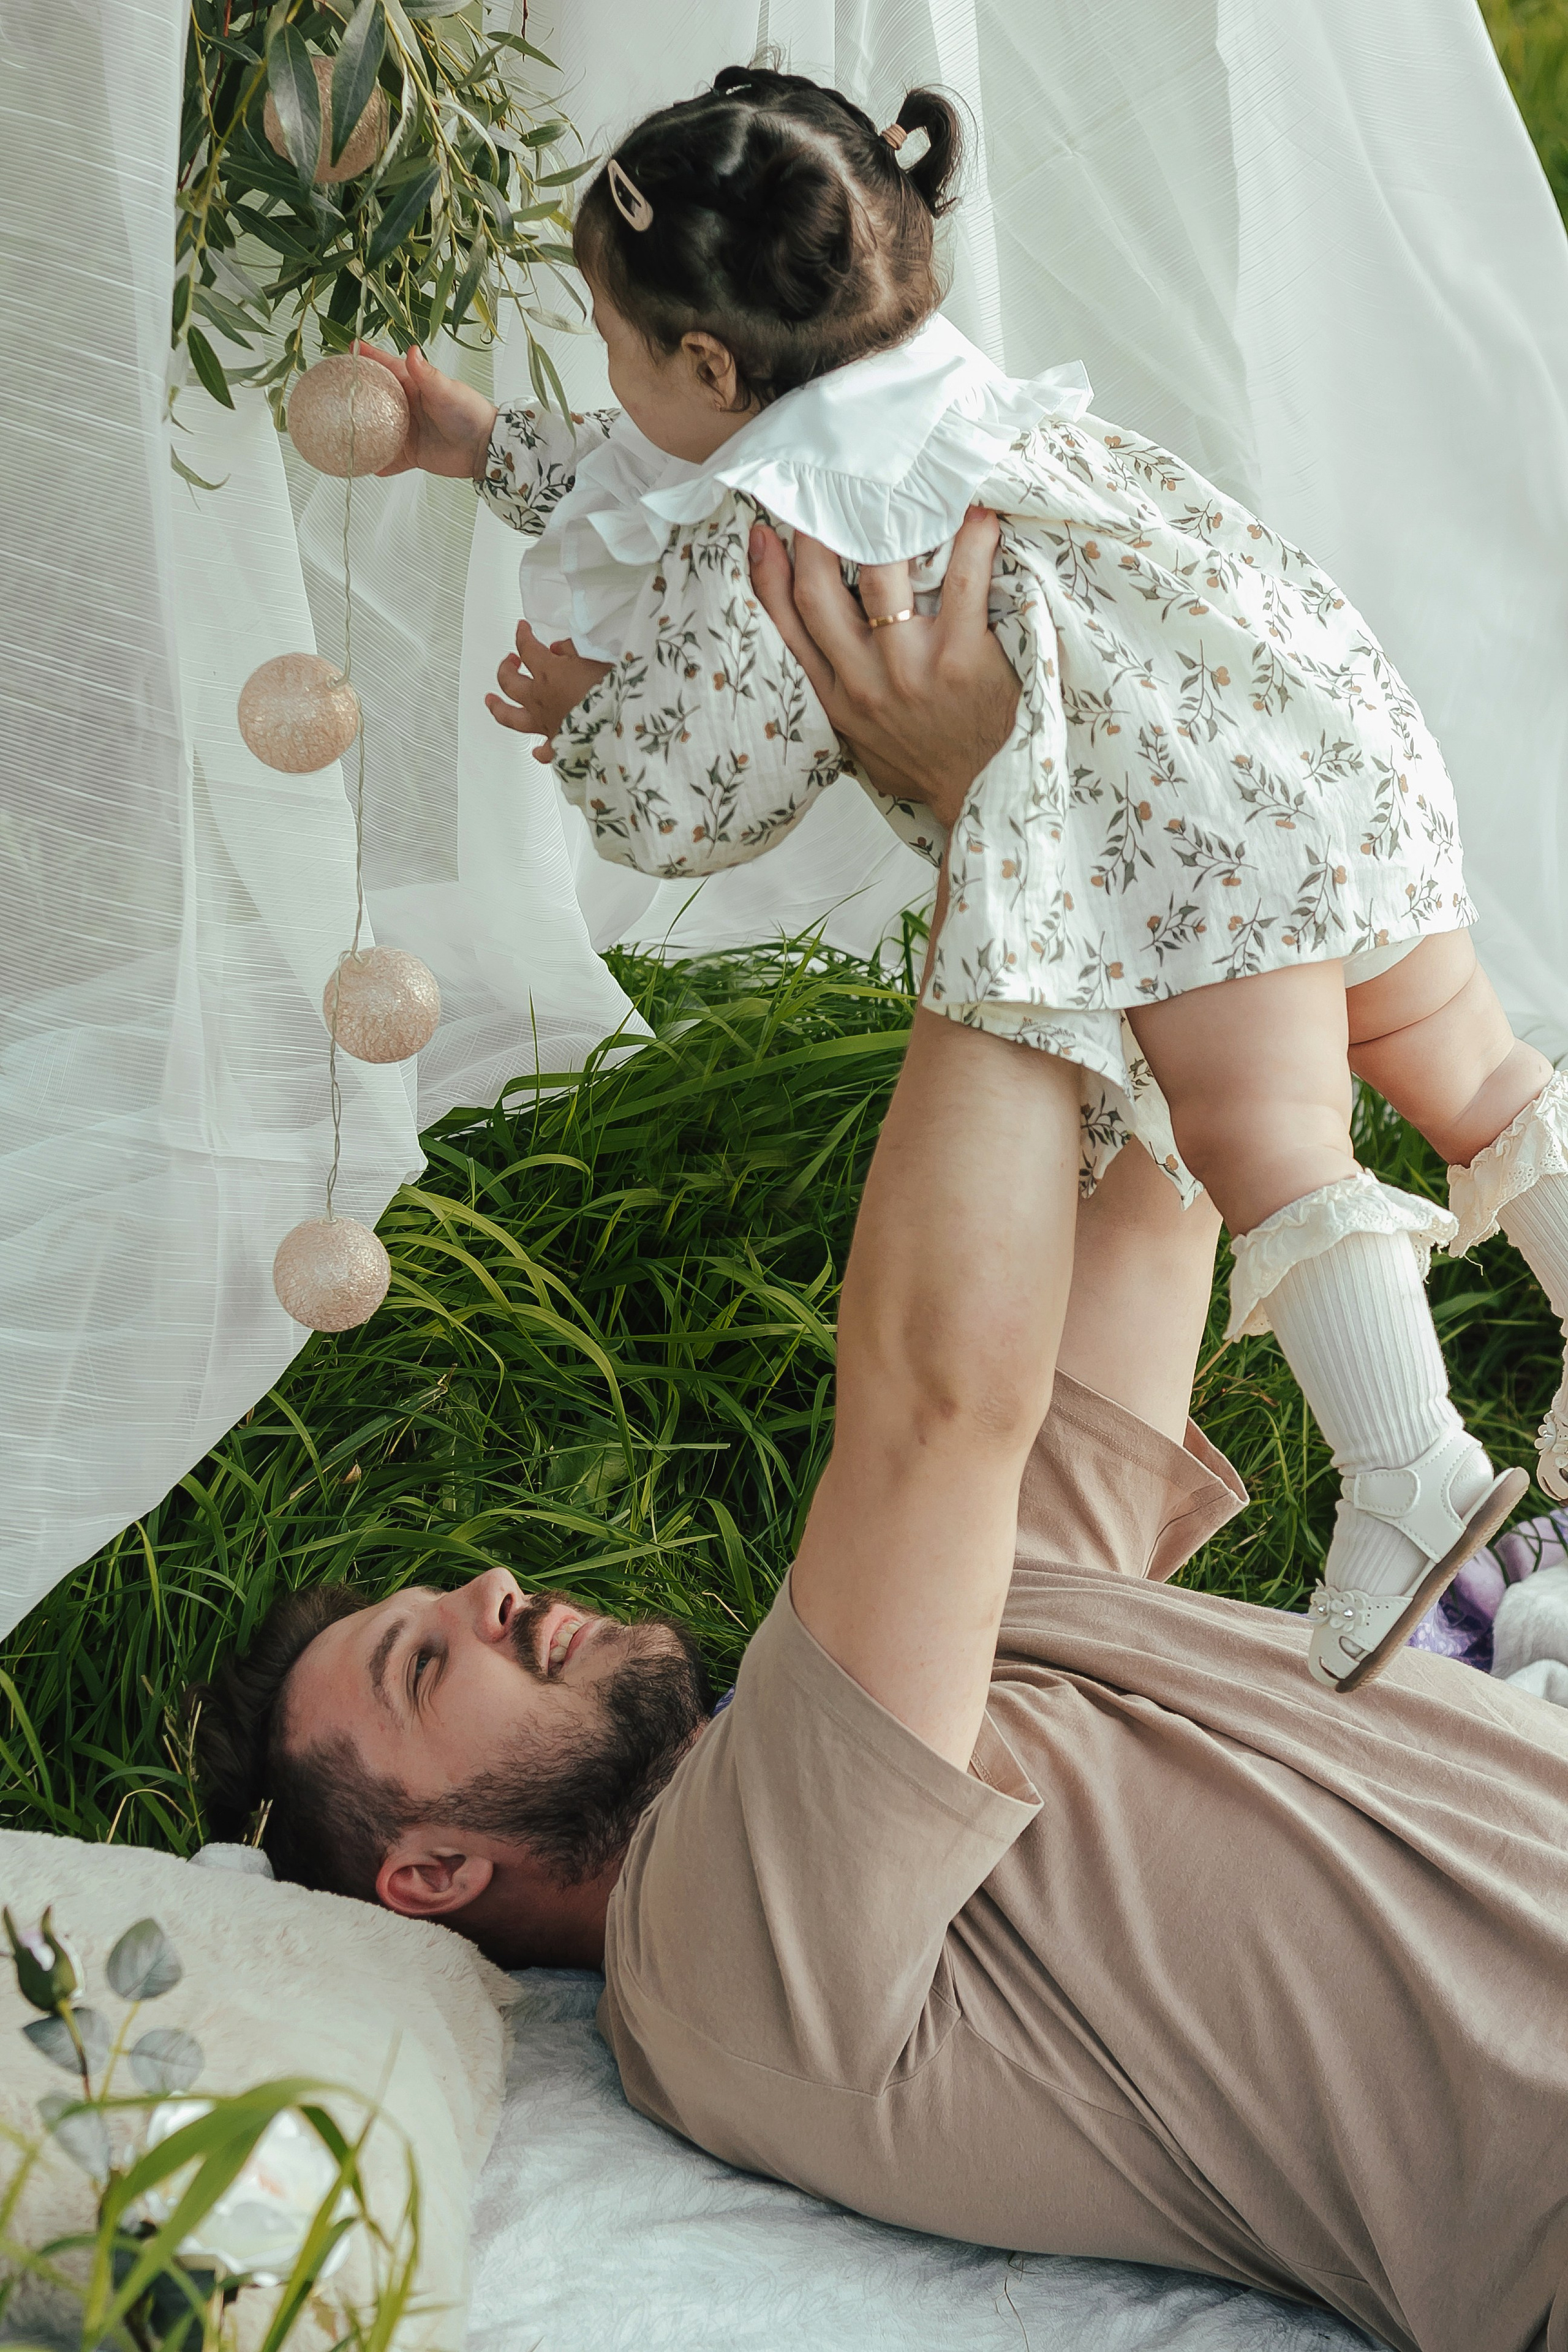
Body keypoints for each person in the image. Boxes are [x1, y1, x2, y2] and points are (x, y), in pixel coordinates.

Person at [192, 520, 1568, 2352]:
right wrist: (1000, 821)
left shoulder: (920, 1705)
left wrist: (1114, 765)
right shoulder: (713, 1967)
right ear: (429, 1874)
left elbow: (1162, 1190)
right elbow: (936, 1416)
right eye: (427, 1658)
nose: (505, 1588)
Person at [351, 64, 1568, 1691]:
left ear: (709, 358)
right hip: (1318, 728)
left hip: (1185, 833)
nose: (616, 379)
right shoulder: (937, 390)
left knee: (1261, 1128)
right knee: (1469, 1066)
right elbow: (655, 465)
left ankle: (1410, 1481)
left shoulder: (795, 525)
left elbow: (695, 796)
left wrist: (589, 722)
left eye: (616, 340)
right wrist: (481, 447)